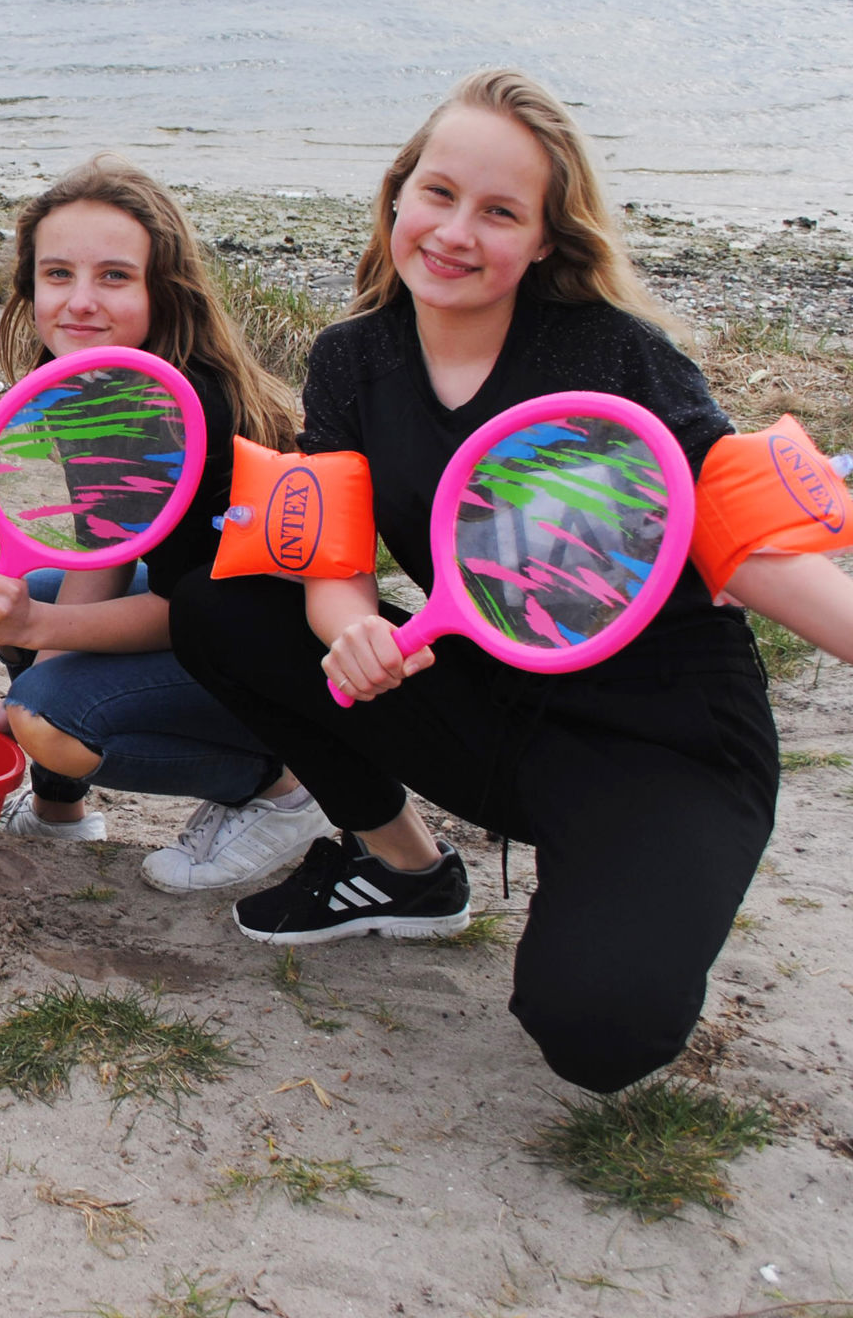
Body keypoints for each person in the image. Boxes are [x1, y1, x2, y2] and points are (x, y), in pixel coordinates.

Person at [170, 68, 853, 1093]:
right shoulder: (353, 358)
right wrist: (350, 630)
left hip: (661, 737)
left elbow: (752, 546)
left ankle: (618, 878)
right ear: (398, 195)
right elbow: (331, 566)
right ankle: (404, 871)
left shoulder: (613, 355)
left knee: (596, 1033)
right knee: (220, 608)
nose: (455, 232)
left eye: (499, 212)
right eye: (438, 193)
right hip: (495, 708)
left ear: (543, 239)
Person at [0, 154, 334, 893]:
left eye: (114, 276)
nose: (80, 302)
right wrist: (34, 651)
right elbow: (106, 554)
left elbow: (202, 611)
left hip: (284, 662)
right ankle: (60, 812)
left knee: (48, 698)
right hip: (209, 623)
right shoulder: (96, 384)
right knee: (44, 601)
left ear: (162, 289)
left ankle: (281, 793)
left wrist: (32, 669)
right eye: (58, 274)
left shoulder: (188, 411)